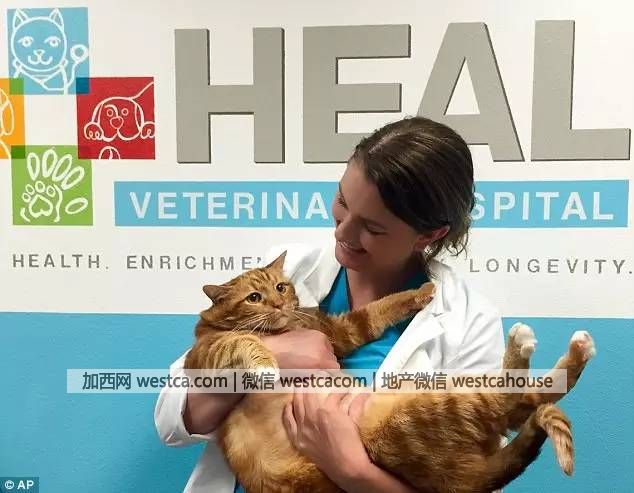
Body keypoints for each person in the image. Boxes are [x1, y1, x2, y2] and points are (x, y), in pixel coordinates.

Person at [154, 116, 505, 493]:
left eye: (372, 227)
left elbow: (472, 480)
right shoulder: (284, 274)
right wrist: (272, 357)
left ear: (429, 235)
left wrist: (351, 469)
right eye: (342, 201)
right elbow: (172, 419)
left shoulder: (469, 324)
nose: (342, 231)